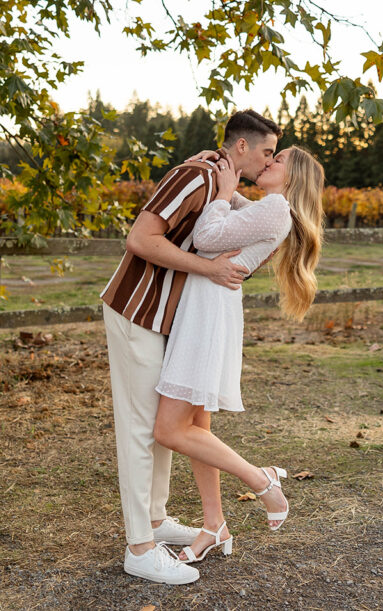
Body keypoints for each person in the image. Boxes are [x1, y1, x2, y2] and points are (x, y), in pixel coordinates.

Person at [100, 109, 282, 584]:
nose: (268, 162)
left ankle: (157, 520)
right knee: (144, 429)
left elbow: (254, 218)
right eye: (266, 152)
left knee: (165, 422)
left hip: (167, 319)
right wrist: (207, 269)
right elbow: (139, 239)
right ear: (240, 147)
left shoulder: (215, 180)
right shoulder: (195, 175)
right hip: (138, 310)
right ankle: (140, 548)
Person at [152, 145, 325, 564]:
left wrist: (223, 190)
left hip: (207, 313)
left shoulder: (275, 209)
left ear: (292, 177)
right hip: (208, 308)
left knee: (170, 431)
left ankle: (260, 479)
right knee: (197, 426)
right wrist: (214, 176)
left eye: (277, 160)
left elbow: (206, 237)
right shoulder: (270, 207)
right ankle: (214, 526)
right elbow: (234, 205)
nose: (268, 163)